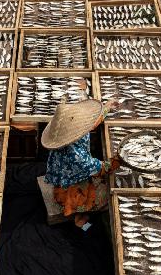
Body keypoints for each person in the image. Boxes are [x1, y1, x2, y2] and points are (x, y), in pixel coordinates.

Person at [41, 98, 121, 230]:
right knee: (107, 197)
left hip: (66, 178)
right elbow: (101, 169)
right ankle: (81, 221)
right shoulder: (77, 156)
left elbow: (90, 124)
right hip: (69, 190)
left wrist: (106, 108)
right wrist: (119, 160)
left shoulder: (61, 134)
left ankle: (79, 213)